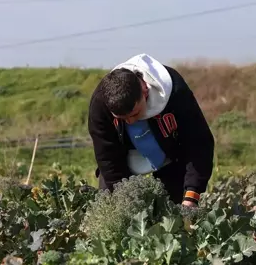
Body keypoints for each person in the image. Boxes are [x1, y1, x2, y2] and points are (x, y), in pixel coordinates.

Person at [87, 53, 214, 207]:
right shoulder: (100, 104)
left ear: (145, 90)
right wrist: (124, 200)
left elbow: (198, 142)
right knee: (114, 208)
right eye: (122, 119)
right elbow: (107, 157)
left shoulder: (175, 91)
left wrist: (192, 195)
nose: (130, 121)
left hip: (170, 156)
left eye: (134, 114)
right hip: (123, 156)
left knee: (172, 216)